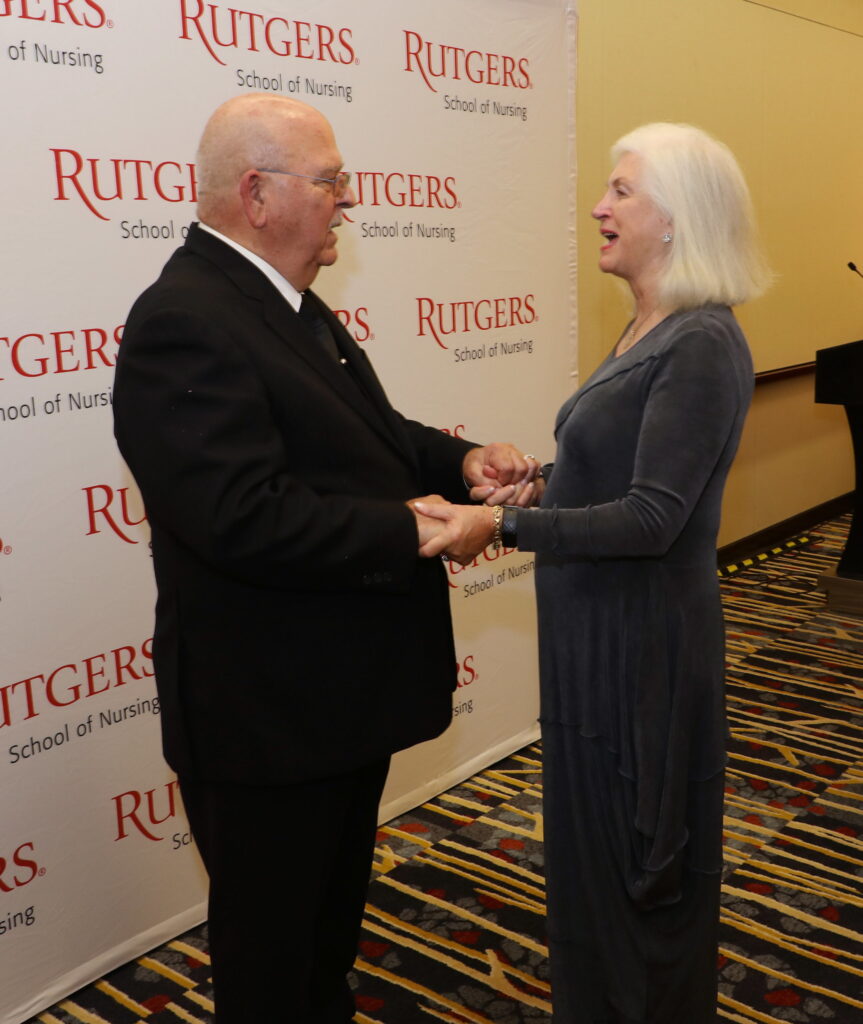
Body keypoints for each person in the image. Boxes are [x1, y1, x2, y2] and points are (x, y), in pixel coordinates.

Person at [112, 93, 536, 1024]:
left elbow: (368, 438)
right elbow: (240, 517)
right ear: (257, 194)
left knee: (321, 938)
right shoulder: (184, 318)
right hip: (266, 720)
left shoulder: (283, 303)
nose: (349, 202)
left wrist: (457, 462)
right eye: (332, 181)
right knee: (270, 962)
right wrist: (422, 529)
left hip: (331, 704)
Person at [416, 122, 770, 1022]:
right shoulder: (651, 324)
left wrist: (504, 520)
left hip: (641, 644)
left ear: (674, 220)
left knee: (641, 861)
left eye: (619, 191)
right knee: (594, 855)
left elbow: (654, 519)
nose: (597, 207)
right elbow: (628, 475)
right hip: (593, 633)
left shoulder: (699, 342)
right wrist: (544, 479)